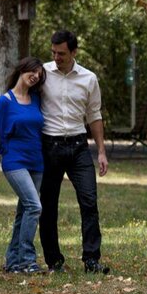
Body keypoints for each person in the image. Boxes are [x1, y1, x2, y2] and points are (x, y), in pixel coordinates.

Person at [39, 30, 110, 274]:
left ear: (73, 52)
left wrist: (101, 151)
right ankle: (53, 260)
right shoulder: (43, 74)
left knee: (89, 201)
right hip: (50, 145)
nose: (56, 57)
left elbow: (94, 115)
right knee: (48, 205)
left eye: (62, 53)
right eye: (53, 53)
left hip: (79, 146)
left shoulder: (89, 78)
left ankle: (91, 259)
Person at [0, 57, 47, 274]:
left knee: (24, 211)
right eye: (33, 71)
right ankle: (28, 261)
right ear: (22, 69)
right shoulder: (5, 101)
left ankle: (12, 262)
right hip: (14, 162)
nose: (36, 76)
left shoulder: (37, 99)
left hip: (37, 162)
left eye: (39, 75)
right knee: (34, 206)